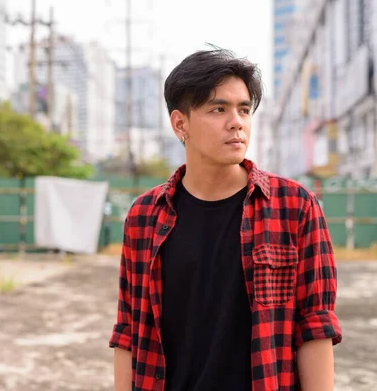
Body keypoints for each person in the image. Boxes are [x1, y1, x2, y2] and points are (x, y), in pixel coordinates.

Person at [109, 48, 342, 391]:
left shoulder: (294, 207)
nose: (237, 121)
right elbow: (130, 331)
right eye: (218, 109)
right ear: (180, 124)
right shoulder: (144, 215)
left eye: (244, 109)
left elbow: (315, 328)